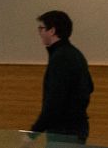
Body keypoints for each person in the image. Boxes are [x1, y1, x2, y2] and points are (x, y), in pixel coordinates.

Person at [30, 10, 94, 143]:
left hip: (63, 131)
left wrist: (33, 133)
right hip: (77, 127)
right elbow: (90, 86)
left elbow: (54, 100)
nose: (40, 32)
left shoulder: (60, 58)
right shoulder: (75, 54)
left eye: (41, 28)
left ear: (52, 31)